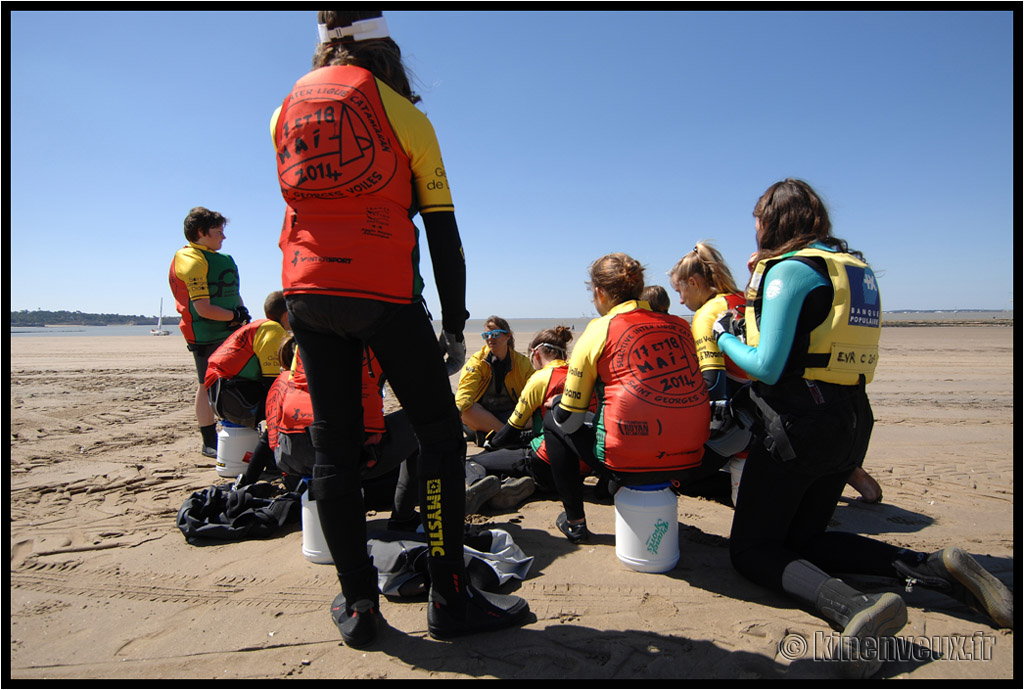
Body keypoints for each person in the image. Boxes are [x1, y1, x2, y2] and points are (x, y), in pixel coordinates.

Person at [272, 11, 528, 648]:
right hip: (383, 293)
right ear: (385, 48)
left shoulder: (283, 112)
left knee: (335, 448)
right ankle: (449, 595)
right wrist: (456, 324)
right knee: (440, 438)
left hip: (306, 291)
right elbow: (444, 233)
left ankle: (358, 604)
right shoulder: (404, 115)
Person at [716, 179, 1012, 678]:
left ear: (774, 220)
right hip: (851, 419)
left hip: (799, 426)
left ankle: (854, 609)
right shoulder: (856, 270)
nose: (757, 229)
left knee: (750, 550)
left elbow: (766, 365)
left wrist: (724, 336)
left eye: (759, 220)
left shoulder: (791, 270)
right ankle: (932, 567)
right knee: (805, 539)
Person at [544, 253, 721, 543]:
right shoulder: (679, 325)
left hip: (628, 463)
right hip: (692, 459)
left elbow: (570, 420)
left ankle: (575, 521)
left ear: (600, 293)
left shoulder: (599, 329)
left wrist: (559, 405)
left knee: (555, 420)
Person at [479, 326, 589, 509]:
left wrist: (492, 445)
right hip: (582, 467)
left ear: (536, 353)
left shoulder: (540, 378)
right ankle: (523, 484)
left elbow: (511, 430)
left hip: (546, 463)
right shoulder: (580, 374)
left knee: (477, 462)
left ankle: (480, 486)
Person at [169, 207, 250, 458]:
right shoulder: (191, 259)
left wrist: (242, 314)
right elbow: (203, 308)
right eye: (218, 232)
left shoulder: (223, 259)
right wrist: (234, 317)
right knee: (206, 384)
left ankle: (241, 428)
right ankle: (209, 440)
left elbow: (233, 292)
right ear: (201, 233)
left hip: (230, 329)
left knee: (239, 379)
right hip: (205, 333)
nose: (223, 237)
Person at [456, 316, 535, 446]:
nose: (490, 338)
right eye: (486, 335)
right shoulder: (477, 361)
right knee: (467, 410)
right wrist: (457, 410)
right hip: (483, 417)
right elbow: (465, 391)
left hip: (512, 414)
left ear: (507, 336)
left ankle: (493, 435)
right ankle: (509, 436)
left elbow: (534, 390)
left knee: (539, 413)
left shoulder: (522, 362)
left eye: (495, 334)